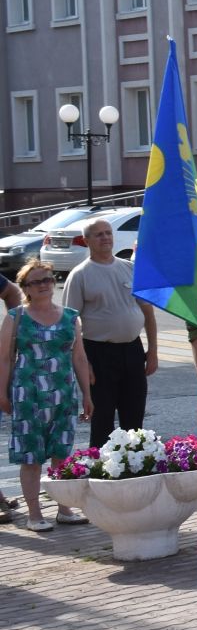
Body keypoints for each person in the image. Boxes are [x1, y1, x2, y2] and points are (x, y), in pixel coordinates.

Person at [0, 259, 91, 532]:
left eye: (47, 279)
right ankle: (34, 514)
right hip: (27, 395)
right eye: (36, 281)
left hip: (63, 395)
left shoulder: (70, 316)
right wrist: (2, 394)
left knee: (61, 454)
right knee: (31, 457)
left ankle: (64, 508)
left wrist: (87, 394)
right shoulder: (16, 317)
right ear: (25, 287)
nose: (43, 285)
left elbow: (79, 357)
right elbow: (5, 358)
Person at [62, 217, 157, 447]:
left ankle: (134, 469)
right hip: (98, 354)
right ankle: (100, 474)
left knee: (134, 419)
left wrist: (152, 351)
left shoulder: (129, 268)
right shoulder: (80, 275)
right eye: (99, 234)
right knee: (102, 419)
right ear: (86, 241)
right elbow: (69, 324)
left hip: (133, 350)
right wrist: (85, 366)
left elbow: (147, 312)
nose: (105, 238)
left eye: (108, 233)